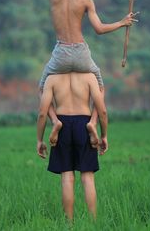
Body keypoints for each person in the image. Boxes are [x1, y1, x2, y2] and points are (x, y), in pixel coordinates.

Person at [24, 0, 138, 145]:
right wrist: (122, 22)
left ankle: (55, 121)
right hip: (81, 53)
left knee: (42, 89)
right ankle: (93, 122)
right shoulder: (86, 1)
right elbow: (100, 30)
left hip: (60, 53)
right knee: (99, 88)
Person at [36, 72, 108, 221]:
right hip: (84, 123)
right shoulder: (89, 77)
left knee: (67, 178)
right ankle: (93, 223)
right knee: (88, 178)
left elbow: (42, 113)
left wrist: (40, 139)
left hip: (62, 125)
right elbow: (102, 110)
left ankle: (69, 224)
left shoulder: (51, 78)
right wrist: (103, 135)